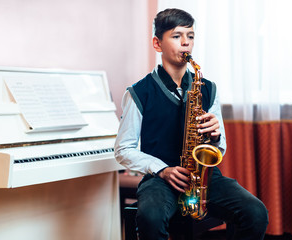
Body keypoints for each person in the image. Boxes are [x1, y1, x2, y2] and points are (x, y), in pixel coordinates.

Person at [114, 8, 268, 240]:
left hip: (203, 176)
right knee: (150, 218)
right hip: (160, 179)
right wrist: (162, 170)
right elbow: (123, 149)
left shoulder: (208, 88)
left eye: (191, 36)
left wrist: (214, 136)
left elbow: (219, 147)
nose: (186, 43)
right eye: (177, 36)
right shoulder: (138, 92)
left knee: (256, 212)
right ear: (157, 44)